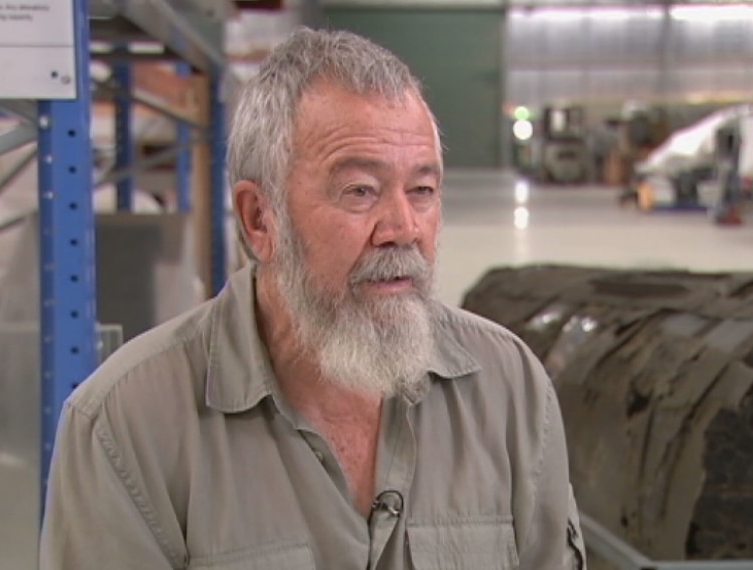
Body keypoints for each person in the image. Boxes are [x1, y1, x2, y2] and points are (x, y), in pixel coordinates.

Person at [40, 28, 587, 570]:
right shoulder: (125, 427)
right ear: (260, 219)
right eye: (359, 192)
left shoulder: (509, 388)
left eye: (421, 190)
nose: (402, 227)